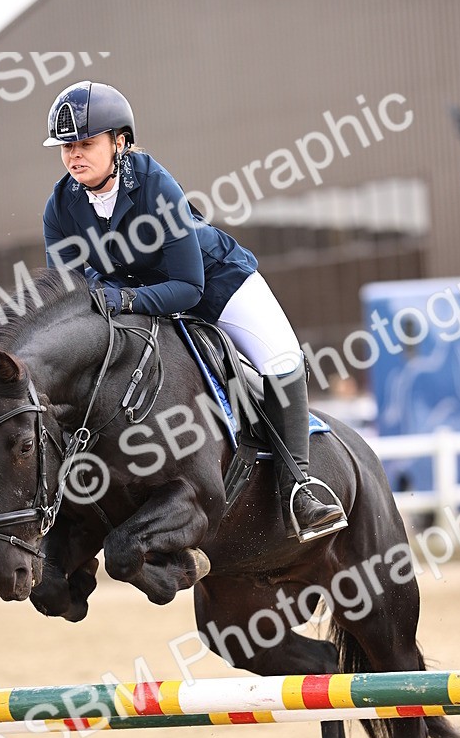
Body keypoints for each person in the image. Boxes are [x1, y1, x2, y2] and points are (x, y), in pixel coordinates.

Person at [42, 80, 347, 542]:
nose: (73, 156)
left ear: (119, 142)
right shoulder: (60, 206)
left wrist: (121, 299)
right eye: (66, 147)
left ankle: (300, 489)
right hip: (137, 297)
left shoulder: (154, 185)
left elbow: (187, 287)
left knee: (282, 360)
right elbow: (68, 292)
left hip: (216, 284)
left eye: (85, 144)